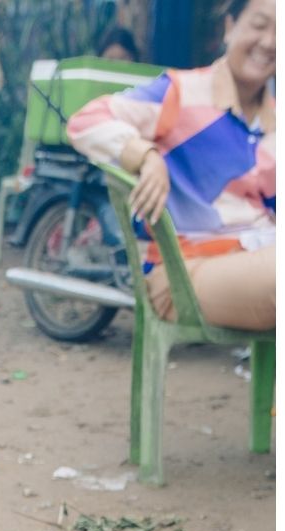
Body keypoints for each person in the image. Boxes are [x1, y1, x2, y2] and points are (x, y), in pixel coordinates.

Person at [67, 0, 275, 331]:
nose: (270, 42)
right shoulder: (182, 92)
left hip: (259, 256)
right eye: (260, 25)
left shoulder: (275, 122)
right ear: (229, 26)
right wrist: (145, 155)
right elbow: (85, 121)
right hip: (182, 270)